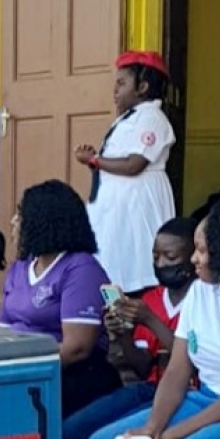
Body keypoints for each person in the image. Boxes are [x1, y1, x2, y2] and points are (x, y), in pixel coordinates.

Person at [87, 197, 220, 439]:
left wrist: (173, 435)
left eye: (201, 250)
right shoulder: (199, 293)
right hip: (203, 398)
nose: (194, 259)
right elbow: (176, 371)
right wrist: (152, 428)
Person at [59, 217, 197, 439]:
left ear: (193, 257)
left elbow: (190, 362)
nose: (161, 264)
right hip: (147, 387)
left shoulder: (200, 298)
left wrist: (150, 321)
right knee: (72, 431)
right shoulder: (151, 299)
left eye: (170, 257)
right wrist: (122, 335)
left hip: (187, 393)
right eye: (155, 257)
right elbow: (142, 366)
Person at [0, 180, 121, 418]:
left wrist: (23, 371)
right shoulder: (20, 267)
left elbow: (77, 348)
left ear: (43, 221)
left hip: (70, 379)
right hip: (17, 374)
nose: (13, 221)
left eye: (20, 215)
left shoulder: (81, 268)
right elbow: (2, 331)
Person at [76, 51, 176, 295]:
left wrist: (96, 160)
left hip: (137, 206)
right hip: (117, 211)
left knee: (135, 267)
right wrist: (96, 162)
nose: (115, 90)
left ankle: (135, 311)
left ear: (142, 87)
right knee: (113, 265)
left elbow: (134, 164)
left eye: (122, 83)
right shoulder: (128, 118)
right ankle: (114, 310)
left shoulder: (152, 117)